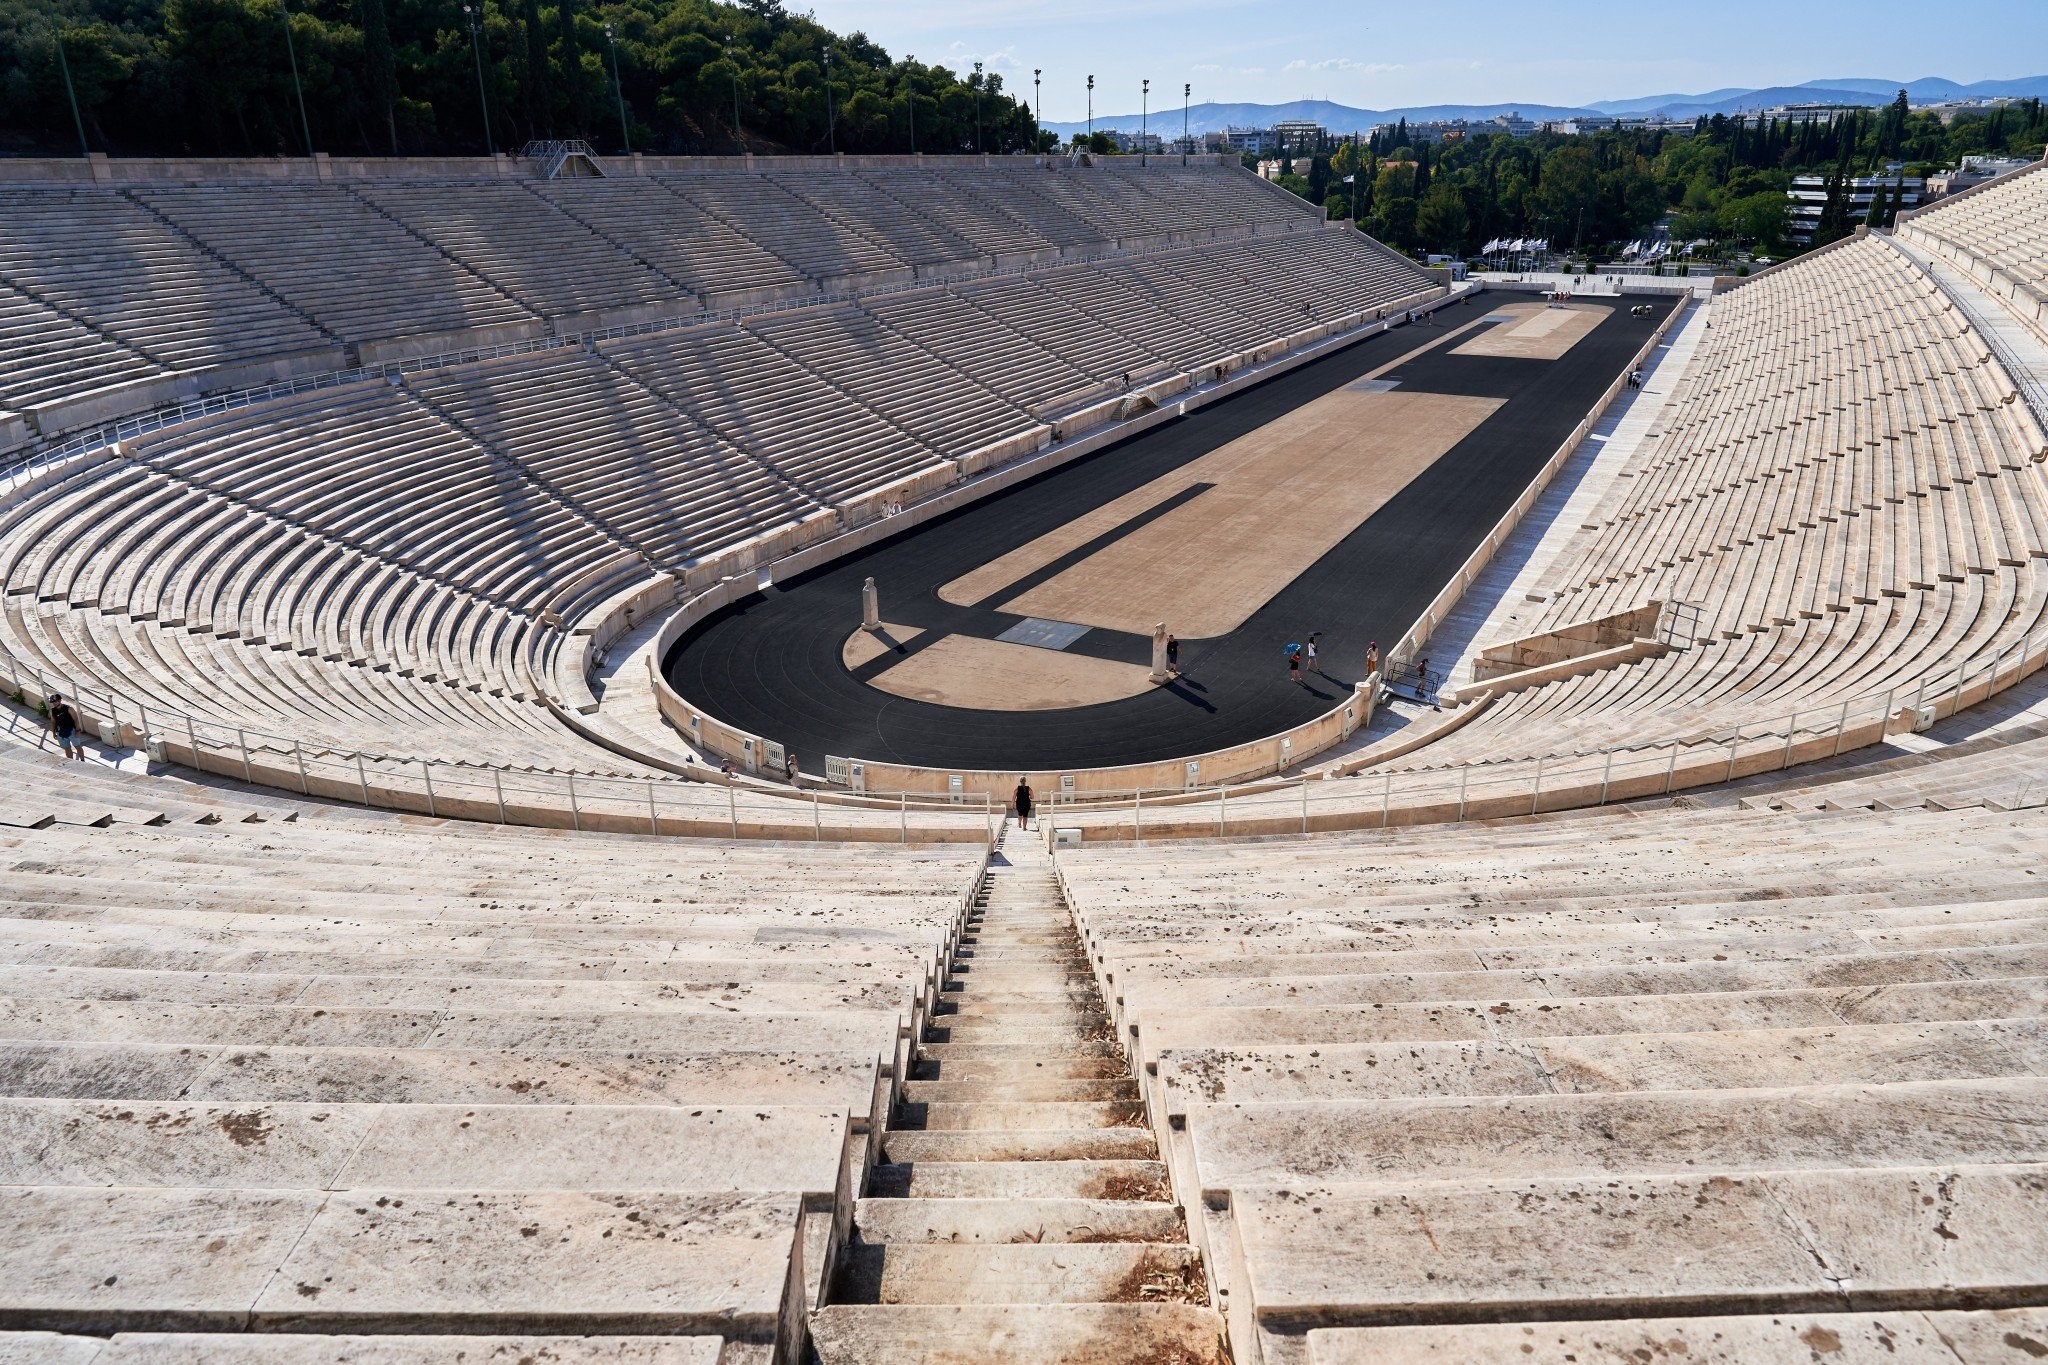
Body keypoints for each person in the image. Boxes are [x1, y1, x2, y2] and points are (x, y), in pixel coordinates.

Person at [47, 694, 83, 761]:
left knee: (77, 746)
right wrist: (53, 732)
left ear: (60, 700)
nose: (54, 703)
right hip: (61, 732)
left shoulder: (69, 709)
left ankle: (82, 760)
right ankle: (71, 762)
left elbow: (76, 719)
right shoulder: (52, 711)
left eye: (55, 701)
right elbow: (53, 722)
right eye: (53, 702)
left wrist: (78, 730)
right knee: (67, 748)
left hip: (72, 730)